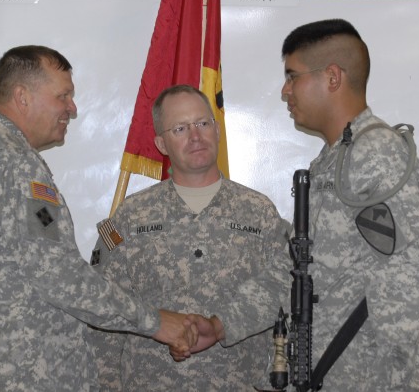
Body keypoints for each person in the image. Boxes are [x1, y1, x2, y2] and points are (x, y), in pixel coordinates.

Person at [189, 19, 419, 391]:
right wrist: (222, 324)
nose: (285, 91)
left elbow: (406, 287)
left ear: (332, 77)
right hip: (323, 374)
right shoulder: (335, 160)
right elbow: (293, 270)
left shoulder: (377, 154)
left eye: (293, 76)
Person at [0, 46, 196, 392]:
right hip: (24, 376)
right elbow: (60, 277)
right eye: (64, 96)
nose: (72, 109)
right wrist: (155, 322)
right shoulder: (12, 163)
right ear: (22, 97)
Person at [87, 84, 291, 391]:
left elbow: (287, 296)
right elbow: (103, 314)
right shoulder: (131, 217)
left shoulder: (259, 213)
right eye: (180, 128)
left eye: (202, 123)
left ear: (217, 130)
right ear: (162, 143)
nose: (195, 136)